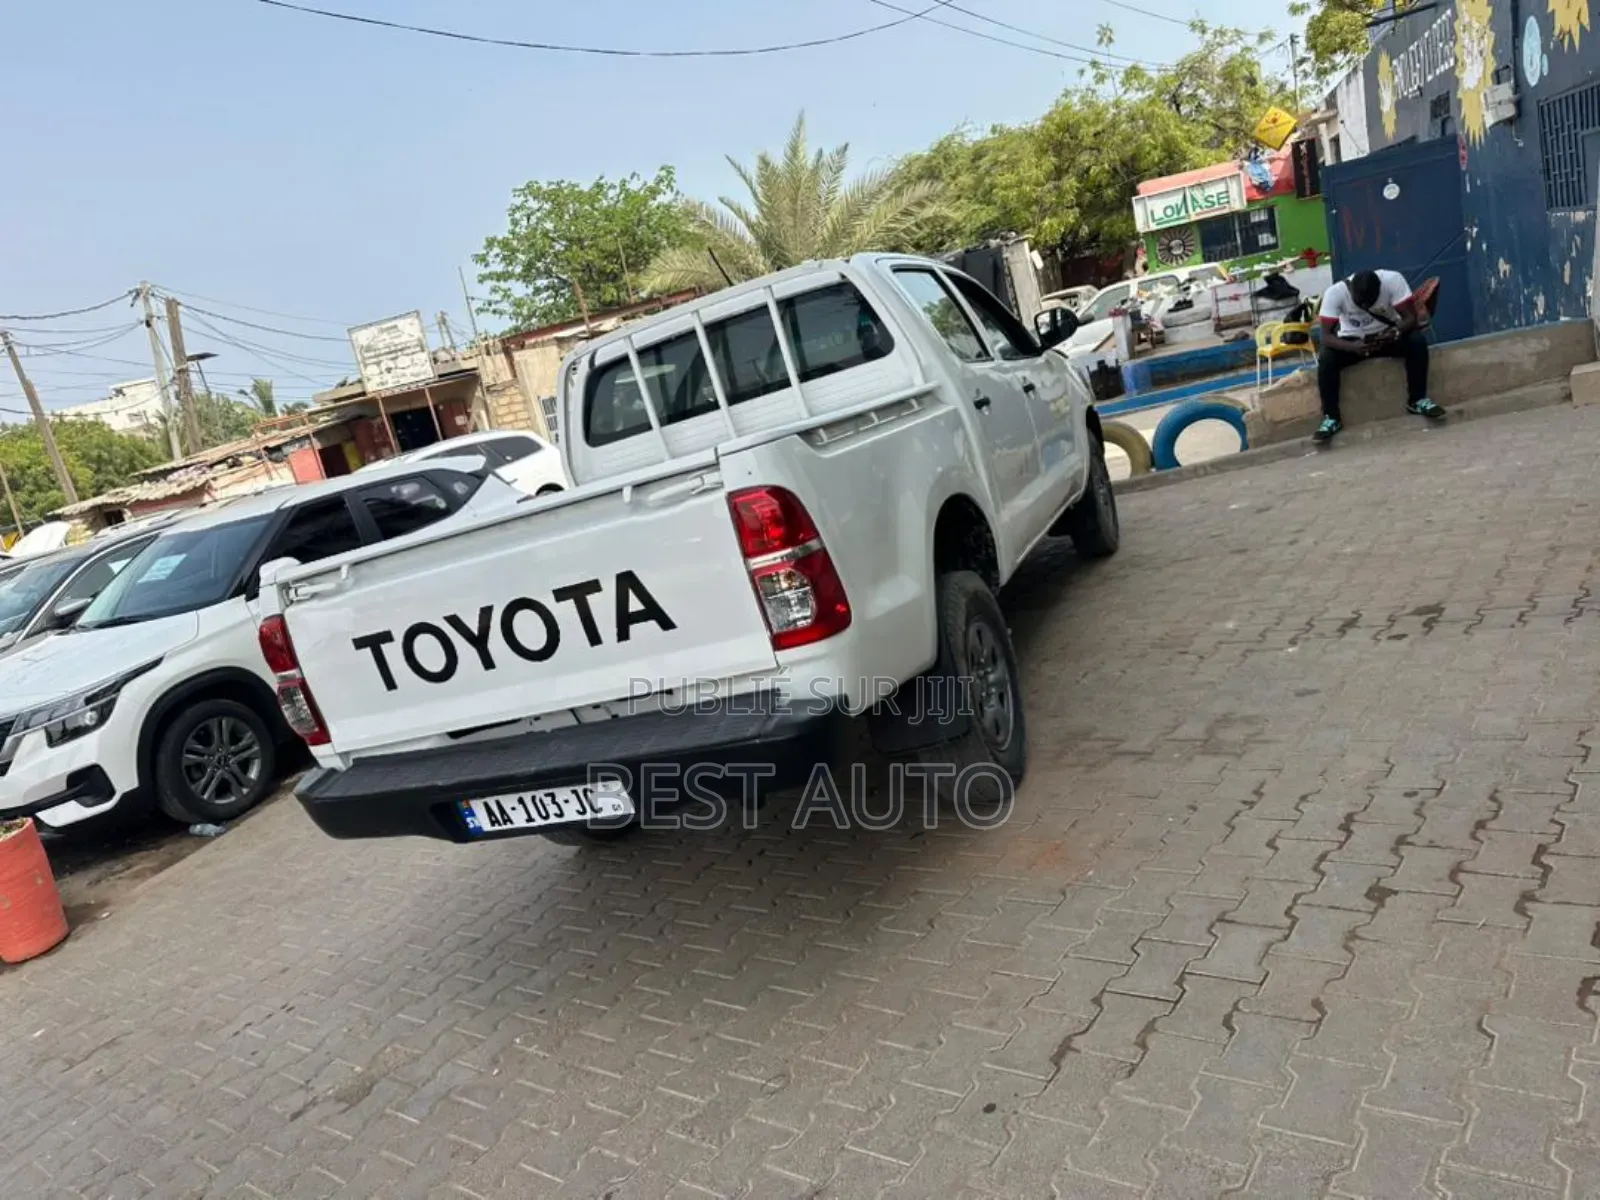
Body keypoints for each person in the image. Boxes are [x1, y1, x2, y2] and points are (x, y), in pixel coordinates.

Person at [1313, 268, 1444, 443]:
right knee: (1327, 358)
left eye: (1370, 303)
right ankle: (1331, 418)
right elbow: (1326, 337)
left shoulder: (1393, 281)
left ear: (1380, 289)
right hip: (1353, 341)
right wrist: (1352, 347)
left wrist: (1395, 332)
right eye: (1361, 303)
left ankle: (1417, 400)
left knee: (1416, 342)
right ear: (1351, 290)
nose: (1366, 307)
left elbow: (1411, 318)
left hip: (1386, 336)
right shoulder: (1335, 293)